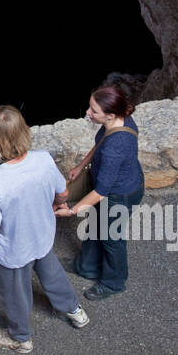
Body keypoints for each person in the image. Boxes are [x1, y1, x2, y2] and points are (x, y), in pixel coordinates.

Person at [0, 105, 89, 353]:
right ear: (24, 132)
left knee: (15, 293)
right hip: (43, 235)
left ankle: (20, 337)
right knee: (52, 273)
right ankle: (74, 310)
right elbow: (63, 193)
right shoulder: (44, 159)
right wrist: (59, 205)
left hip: (16, 250)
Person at [57, 84, 144, 300]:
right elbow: (100, 143)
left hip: (119, 195)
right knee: (96, 226)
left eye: (94, 111)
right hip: (114, 185)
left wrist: (72, 211)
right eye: (90, 107)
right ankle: (86, 267)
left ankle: (114, 283)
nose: (88, 113)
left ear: (109, 115)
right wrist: (81, 165)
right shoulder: (118, 121)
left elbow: (102, 192)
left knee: (111, 239)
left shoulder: (116, 147)